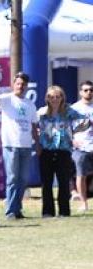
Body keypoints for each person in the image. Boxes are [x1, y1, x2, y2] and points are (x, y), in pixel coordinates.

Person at [36, 86, 86, 218]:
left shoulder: (68, 111)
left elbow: (86, 120)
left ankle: (64, 211)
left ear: (62, 98)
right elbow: (32, 126)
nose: (55, 99)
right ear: (47, 98)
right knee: (46, 183)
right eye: (52, 97)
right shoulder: (42, 112)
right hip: (46, 151)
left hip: (63, 151)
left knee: (63, 182)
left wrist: (75, 134)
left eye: (58, 96)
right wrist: (38, 141)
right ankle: (47, 212)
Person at [0, 72, 39, 220]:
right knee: (12, 178)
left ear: (27, 86)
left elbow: (33, 125)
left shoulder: (30, 104)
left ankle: (17, 209)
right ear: (13, 85)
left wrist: (37, 143)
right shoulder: (7, 99)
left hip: (26, 145)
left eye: (23, 84)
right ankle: (10, 211)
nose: (20, 86)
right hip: (11, 144)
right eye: (18, 83)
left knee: (23, 179)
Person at [71, 80, 93, 212]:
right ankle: (83, 203)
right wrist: (72, 140)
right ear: (80, 92)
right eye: (86, 90)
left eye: (91, 90)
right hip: (81, 148)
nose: (89, 92)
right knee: (81, 175)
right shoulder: (74, 109)